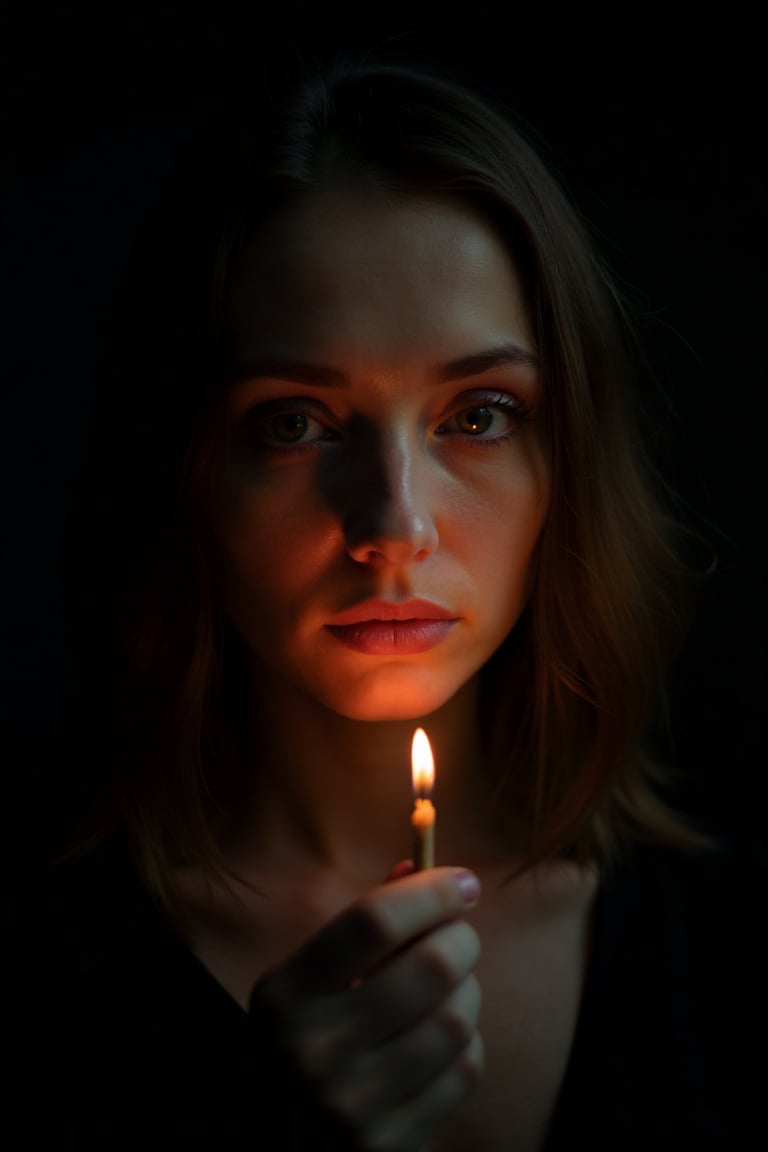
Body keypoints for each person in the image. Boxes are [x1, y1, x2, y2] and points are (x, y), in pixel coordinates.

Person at [16, 47, 763, 1151]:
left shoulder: (718, 919)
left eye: (477, 416)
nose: (395, 530)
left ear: (571, 461)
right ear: (183, 470)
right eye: (294, 423)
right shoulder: (43, 969)